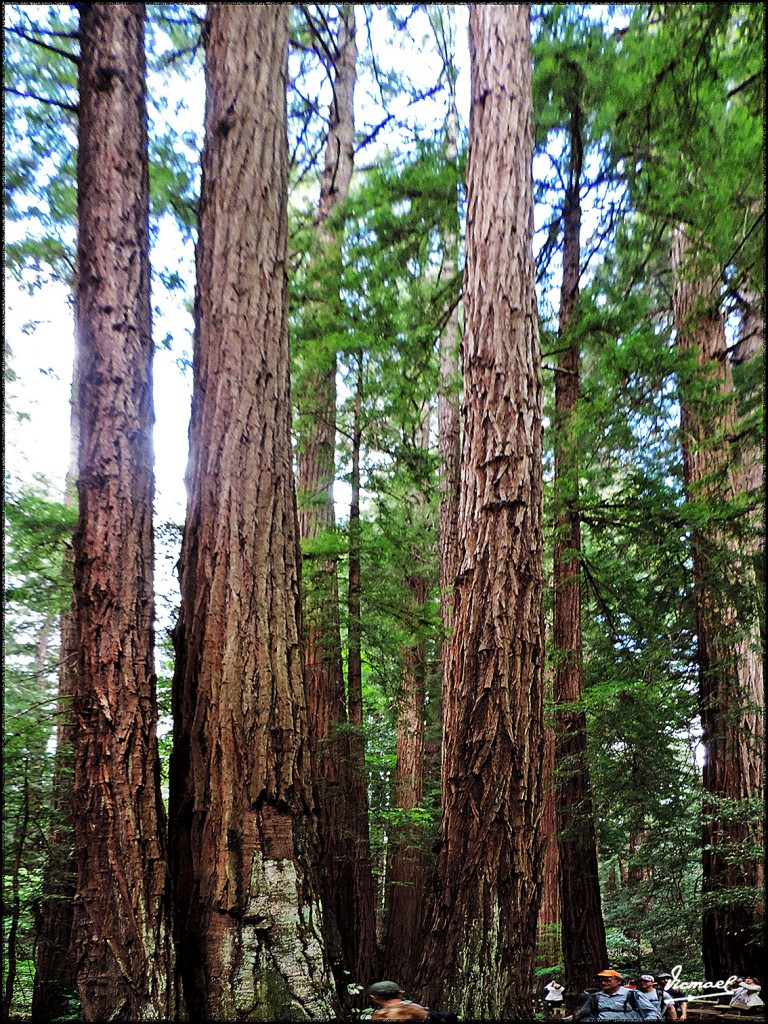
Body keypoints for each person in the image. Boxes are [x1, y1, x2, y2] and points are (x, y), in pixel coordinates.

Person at [574, 969, 662, 1020]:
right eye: (601, 981)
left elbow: (652, 1012)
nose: (603, 983)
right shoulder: (595, 997)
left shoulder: (632, 994)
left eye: (607, 980)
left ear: (618, 981)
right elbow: (582, 1015)